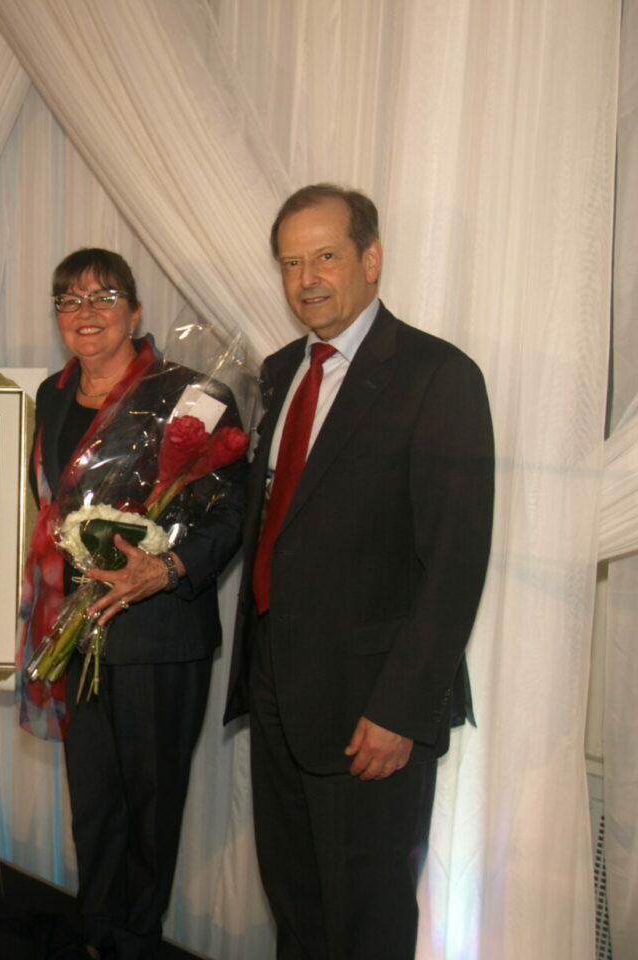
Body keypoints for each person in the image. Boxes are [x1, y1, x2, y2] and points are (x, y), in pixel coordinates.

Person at [223, 185, 494, 960]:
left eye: (327, 256)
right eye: (290, 262)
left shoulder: (437, 377)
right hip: (276, 689)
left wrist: (402, 709)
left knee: (366, 923)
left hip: (372, 711)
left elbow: (456, 559)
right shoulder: (278, 374)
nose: (308, 277)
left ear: (371, 260)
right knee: (297, 908)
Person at [20, 248, 246, 959]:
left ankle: (137, 942)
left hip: (159, 632)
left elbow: (233, 512)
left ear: (136, 310)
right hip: (81, 625)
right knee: (93, 805)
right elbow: (50, 502)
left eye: (102, 296)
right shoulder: (51, 395)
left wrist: (167, 566)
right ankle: (96, 937)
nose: (85, 314)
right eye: (69, 300)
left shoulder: (194, 395)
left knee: (151, 809)